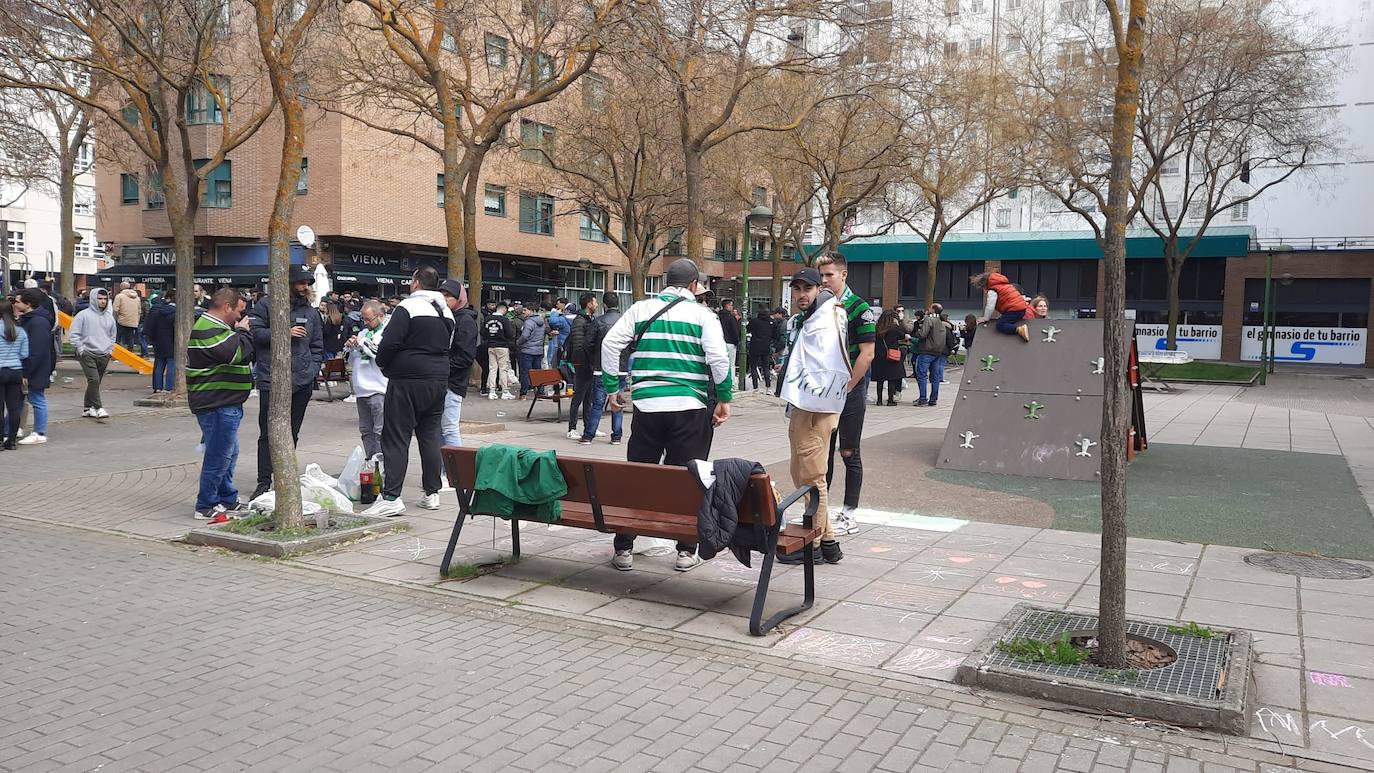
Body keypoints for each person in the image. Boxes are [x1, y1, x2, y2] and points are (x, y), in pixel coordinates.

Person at [601, 258, 733, 572]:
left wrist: (612, 388)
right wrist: (724, 399)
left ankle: (624, 548)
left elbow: (610, 344)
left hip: (647, 407)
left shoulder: (639, 309)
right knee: (688, 480)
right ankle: (686, 550)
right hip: (689, 406)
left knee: (639, 477)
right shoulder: (703, 315)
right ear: (692, 285)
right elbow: (718, 358)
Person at [363, 267, 455, 517]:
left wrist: (384, 364)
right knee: (430, 435)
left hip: (408, 379)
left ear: (415, 283)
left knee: (396, 436)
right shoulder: (446, 311)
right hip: (438, 378)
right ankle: (432, 492)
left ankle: (392, 496)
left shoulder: (408, 308)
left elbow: (390, 343)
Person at [775, 268, 848, 564]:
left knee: (811, 477)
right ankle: (828, 542)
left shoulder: (824, 320)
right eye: (797, 289)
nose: (801, 294)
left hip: (815, 407)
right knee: (805, 473)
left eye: (807, 289)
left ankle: (814, 544)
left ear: (819, 289)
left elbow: (825, 363)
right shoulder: (817, 317)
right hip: (811, 406)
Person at [248, 265, 324, 499]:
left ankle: (285, 477)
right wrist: (283, 332)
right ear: (289, 283)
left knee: (292, 432)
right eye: (301, 283)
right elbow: (255, 334)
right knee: (268, 433)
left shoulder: (311, 312)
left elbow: (317, 345)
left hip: (301, 380)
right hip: (272, 379)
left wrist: (312, 369)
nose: (306, 287)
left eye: (308, 283)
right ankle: (263, 482)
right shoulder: (266, 305)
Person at [816, 252, 876, 537]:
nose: (824, 280)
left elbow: (867, 353)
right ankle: (821, 511)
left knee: (849, 451)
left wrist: (849, 386)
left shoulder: (859, 307)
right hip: (824, 388)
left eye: (830, 274)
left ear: (843, 274)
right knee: (823, 451)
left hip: (850, 387)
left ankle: (849, 513)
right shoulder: (820, 306)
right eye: (822, 275)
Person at [187, 288, 255, 519]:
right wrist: (244, 332)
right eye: (239, 311)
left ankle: (227, 497)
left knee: (229, 452)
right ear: (227, 306)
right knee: (219, 455)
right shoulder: (208, 328)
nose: (240, 317)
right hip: (216, 403)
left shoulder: (219, 328)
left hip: (225, 402)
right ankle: (205, 504)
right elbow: (237, 354)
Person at [345, 300, 388, 459]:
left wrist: (362, 343)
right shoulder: (363, 333)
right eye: (363, 319)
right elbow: (352, 359)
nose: (365, 323)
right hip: (361, 389)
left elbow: (378, 353)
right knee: (366, 430)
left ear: (380, 316)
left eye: (368, 319)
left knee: (380, 431)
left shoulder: (386, 332)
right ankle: (370, 461)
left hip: (379, 388)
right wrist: (351, 347)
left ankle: (381, 464)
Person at [439, 279, 478, 449]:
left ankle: (453, 473)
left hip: (452, 383)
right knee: (438, 430)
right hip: (440, 381)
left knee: (449, 429)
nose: (444, 298)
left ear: (459, 298)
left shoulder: (465, 321)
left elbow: (465, 357)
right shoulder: (446, 317)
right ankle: (442, 471)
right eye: (442, 294)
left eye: (449, 295)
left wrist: (441, 368)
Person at [13, 289, 54, 445]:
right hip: (33, 368)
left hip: (35, 369)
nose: (15, 304)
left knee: (36, 398)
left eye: (18, 301)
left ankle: (39, 432)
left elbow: (35, 351)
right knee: (19, 399)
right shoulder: (32, 320)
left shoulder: (37, 322)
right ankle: (11, 428)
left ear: (28, 304)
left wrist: (26, 372)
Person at [69, 287, 116, 419]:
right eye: (100, 298)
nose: (102, 301)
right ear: (93, 299)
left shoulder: (109, 317)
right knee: (94, 380)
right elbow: (74, 333)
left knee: (95, 382)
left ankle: (87, 407)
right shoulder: (83, 315)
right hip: (87, 352)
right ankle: (98, 407)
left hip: (104, 353)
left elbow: (112, 335)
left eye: (105, 299)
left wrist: (110, 350)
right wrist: (80, 348)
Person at [586, 291, 624, 445]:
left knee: (597, 403)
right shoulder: (624, 321)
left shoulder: (598, 321)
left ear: (604, 305)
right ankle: (616, 436)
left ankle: (589, 435)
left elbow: (588, 344)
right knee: (618, 403)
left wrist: (593, 361)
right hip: (621, 368)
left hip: (601, 367)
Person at [563, 292, 600, 443]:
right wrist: (583, 362)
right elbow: (579, 344)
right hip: (582, 363)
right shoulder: (580, 320)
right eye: (595, 302)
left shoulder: (589, 319)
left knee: (588, 397)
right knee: (578, 396)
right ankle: (572, 428)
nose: (596, 305)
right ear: (589, 304)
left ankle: (589, 427)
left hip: (589, 363)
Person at [0, 298, 29, 450]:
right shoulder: (20, 331)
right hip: (15, 371)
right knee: (13, 408)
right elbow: (24, 354)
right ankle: (11, 441)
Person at [972, 271, 1033, 341]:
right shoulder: (1006, 286)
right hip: (1021, 309)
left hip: (1014, 310)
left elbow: (990, 306)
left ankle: (1019, 329)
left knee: (1000, 324)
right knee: (1005, 319)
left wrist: (985, 318)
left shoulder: (993, 291)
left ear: (985, 285)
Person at [914, 302, 953, 407]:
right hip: (938, 352)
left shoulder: (929, 319)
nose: (928, 308)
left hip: (927, 351)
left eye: (930, 307)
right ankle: (933, 399)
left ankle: (922, 399)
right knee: (935, 377)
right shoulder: (942, 322)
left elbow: (923, 334)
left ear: (933, 310)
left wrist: (917, 333)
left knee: (922, 375)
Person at [482, 301, 518, 399]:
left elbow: (482, 332)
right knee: (503, 369)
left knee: (492, 368)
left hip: (490, 346)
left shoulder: (487, 319)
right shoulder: (504, 320)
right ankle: (505, 391)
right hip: (502, 346)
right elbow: (510, 334)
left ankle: (492, 391)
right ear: (504, 309)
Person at [145, 289, 177, 394]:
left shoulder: (157, 310)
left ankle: (157, 387)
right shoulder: (176, 313)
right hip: (171, 341)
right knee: (171, 364)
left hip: (158, 340)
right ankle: (169, 387)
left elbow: (151, 326)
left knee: (159, 364)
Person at [872, 310, 907, 406]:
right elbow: (902, 335)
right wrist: (897, 323)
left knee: (880, 379)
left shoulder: (877, 327)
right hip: (891, 356)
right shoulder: (894, 328)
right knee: (891, 378)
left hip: (878, 356)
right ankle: (890, 399)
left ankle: (879, 400)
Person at [515, 305, 546, 398]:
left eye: (525, 310)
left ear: (531, 310)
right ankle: (540, 392)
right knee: (538, 372)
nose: (523, 312)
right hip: (538, 350)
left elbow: (525, 336)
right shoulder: (542, 321)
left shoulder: (529, 322)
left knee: (525, 372)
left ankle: (523, 393)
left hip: (527, 350)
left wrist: (518, 343)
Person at [745, 306, 775, 391]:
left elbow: (748, 329)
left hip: (755, 346)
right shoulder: (771, 322)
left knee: (753, 366)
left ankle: (756, 387)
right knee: (766, 367)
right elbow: (774, 334)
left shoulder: (754, 321)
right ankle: (768, 388)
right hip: (766, 346)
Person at [112, 282, 141, 351]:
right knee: (130, 338)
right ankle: (130, 353)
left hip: (121, 320)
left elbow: (115, 309)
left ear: (121, 287)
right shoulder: (137, 298)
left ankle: (117, 353)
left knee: (118, 337)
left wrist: (115, 318)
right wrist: (137, 320)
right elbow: (139, 311)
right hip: (133, 321)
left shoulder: (119, 296)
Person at [717, 299, 742, 376]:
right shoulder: (731, 317)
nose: (732, 307)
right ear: (727, 305)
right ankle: (732, 383)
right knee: (731, 364)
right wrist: (737, 342)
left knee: (720, 364)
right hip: (730, 343)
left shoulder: (717, 317)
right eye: (731, 305)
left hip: (719, 342)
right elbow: (735, 331)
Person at [545, 298, 571, 367]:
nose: (556, 305)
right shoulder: (576, 318)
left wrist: (555, 313)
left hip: (562, 345)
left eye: (558, 304)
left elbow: (552, 321)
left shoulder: (562, 319)